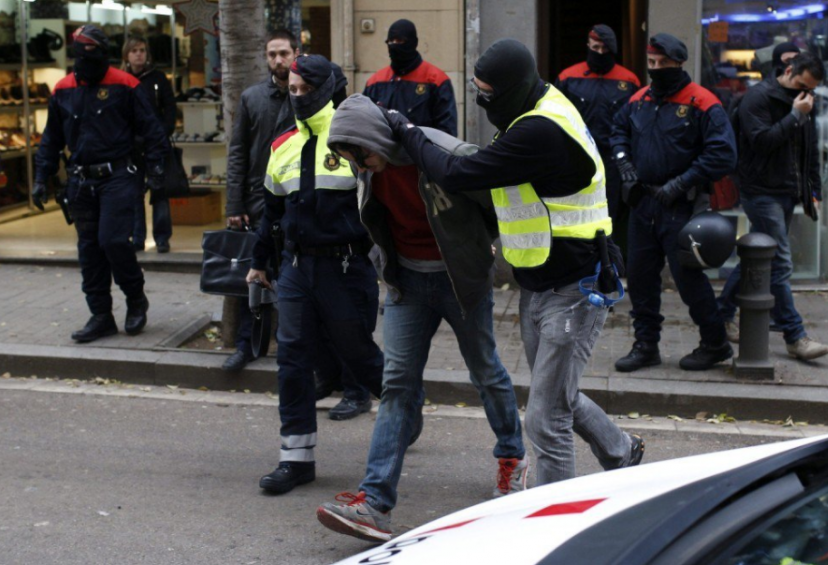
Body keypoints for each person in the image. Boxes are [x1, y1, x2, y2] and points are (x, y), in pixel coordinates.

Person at [321, 38, 644, 529]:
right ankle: (621, 452)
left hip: (576, 287)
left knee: (546, 416)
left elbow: (462, 173)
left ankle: (554, 532)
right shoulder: (529, 113)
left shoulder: (540, 129)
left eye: (486, 91)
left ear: (512, 89)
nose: (480, 100)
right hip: (537, 282)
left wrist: (407, 131)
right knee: (555, 394)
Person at [316, 94, 527, 542]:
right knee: (397, 384)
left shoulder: (440, 152)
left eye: (362, 154)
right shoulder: (366, 164)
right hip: (406, 284)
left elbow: (495, 199)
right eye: (352, 158)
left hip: (459, 283)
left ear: (376, 138)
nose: (360, 165)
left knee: (485, 371)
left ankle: (513, 457)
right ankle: (374, 502)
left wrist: (481, 248)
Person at [245, 54, 384, 495]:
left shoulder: (355, 140)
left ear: (326, 90)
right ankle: (296, 459)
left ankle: (405, 410)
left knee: (358, 356)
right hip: (296, 270)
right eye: (293, 90)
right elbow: (270, 212)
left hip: (345, 269)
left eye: (306, 90)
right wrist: (259, 261)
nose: (299, 97)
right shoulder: (282, 143)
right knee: (292, 362)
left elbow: (385, 206)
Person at [33, 25, 168, 343]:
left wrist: (157, 169)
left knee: (113, 242)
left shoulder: (126, 84)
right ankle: (101, 315)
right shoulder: (63, 89)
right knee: (89, 250)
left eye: (94, 50)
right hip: (80, 180)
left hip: (118, 176)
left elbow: (152, 129)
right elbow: (51, 139)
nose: (88, 58)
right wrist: (42, 176)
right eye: (83, 51)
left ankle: (135, 298)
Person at [611, 33, 736, 373]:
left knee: (689, 281)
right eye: (652, 63)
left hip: (682, 207)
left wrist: (681, 183)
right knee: (639, 279)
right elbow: (617, 131)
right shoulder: (638, 100)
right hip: (643, 204)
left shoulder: (703, 102)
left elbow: (723, 154)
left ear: (679, 63)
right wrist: (625, 168)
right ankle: (646, 345)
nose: (656, 69)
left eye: (663, 64)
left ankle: (715, 344)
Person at [717, 52, 828, 361]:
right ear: (788, 71)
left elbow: (808, 148)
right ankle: (795, 337)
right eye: (800, 85)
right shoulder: (759, 98)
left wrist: (812, 190)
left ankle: (720, 313)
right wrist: (794, 115)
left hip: (787, 190)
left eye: (810, 89)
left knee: (759, 259)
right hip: (760, 191)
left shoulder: (803, 100)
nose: (803, 93)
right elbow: (761, 141)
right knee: (779, 263)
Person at [224, 29, 300, 373]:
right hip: (257, 202)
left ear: (295, 53)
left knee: (296, 280)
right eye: (272, 54)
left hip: (298, 202)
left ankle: (295, 350)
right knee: (256, 277)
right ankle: (247, 345)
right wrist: (233, 205)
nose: (278, 60)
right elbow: (238, 152)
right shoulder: (253, 97)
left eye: (283, 53)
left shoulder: (308, 94)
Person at [555, 25, 640, 231]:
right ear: (588, 46)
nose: (600, 53)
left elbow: (636, 123)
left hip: (613, 159)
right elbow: (555, 117)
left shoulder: (628, 80)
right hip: (578, 156)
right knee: (576, 210)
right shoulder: (568, 77)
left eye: (605, 49)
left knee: (610, 213)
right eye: (596, 47)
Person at [122, 36, 176, 254]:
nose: (139, 54)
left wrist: (163, 132)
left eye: (142, 50)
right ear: (127, 55)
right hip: (130, 145)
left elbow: (170, 107)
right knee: (133, 193)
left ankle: (162, 238)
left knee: (159, 192)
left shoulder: (158, 78)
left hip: (156, 143)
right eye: (134, 50)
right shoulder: (122, 80)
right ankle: (137, 237)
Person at [363, 19, 457, 136]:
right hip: (384, 152)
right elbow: (365, 125)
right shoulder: (375, 82)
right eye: (391, 41)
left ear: (413, 43)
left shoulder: (436, 80)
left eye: (400, 41)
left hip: (423, 152)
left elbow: (447, 132)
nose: (395, 45)